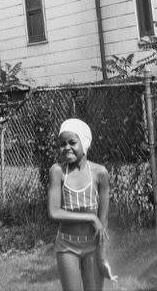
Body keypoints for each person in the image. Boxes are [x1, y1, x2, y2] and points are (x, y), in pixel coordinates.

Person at [48, 118, 111, 291]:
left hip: (92, 246)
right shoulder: (58, 172)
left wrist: (102, 257)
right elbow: (54, 212)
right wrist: (90, 217)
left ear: (84, 143)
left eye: (72, 142)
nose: (66, 147)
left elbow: (103, 221)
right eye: (62, 144)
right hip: (67, 246)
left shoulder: (100, 173)